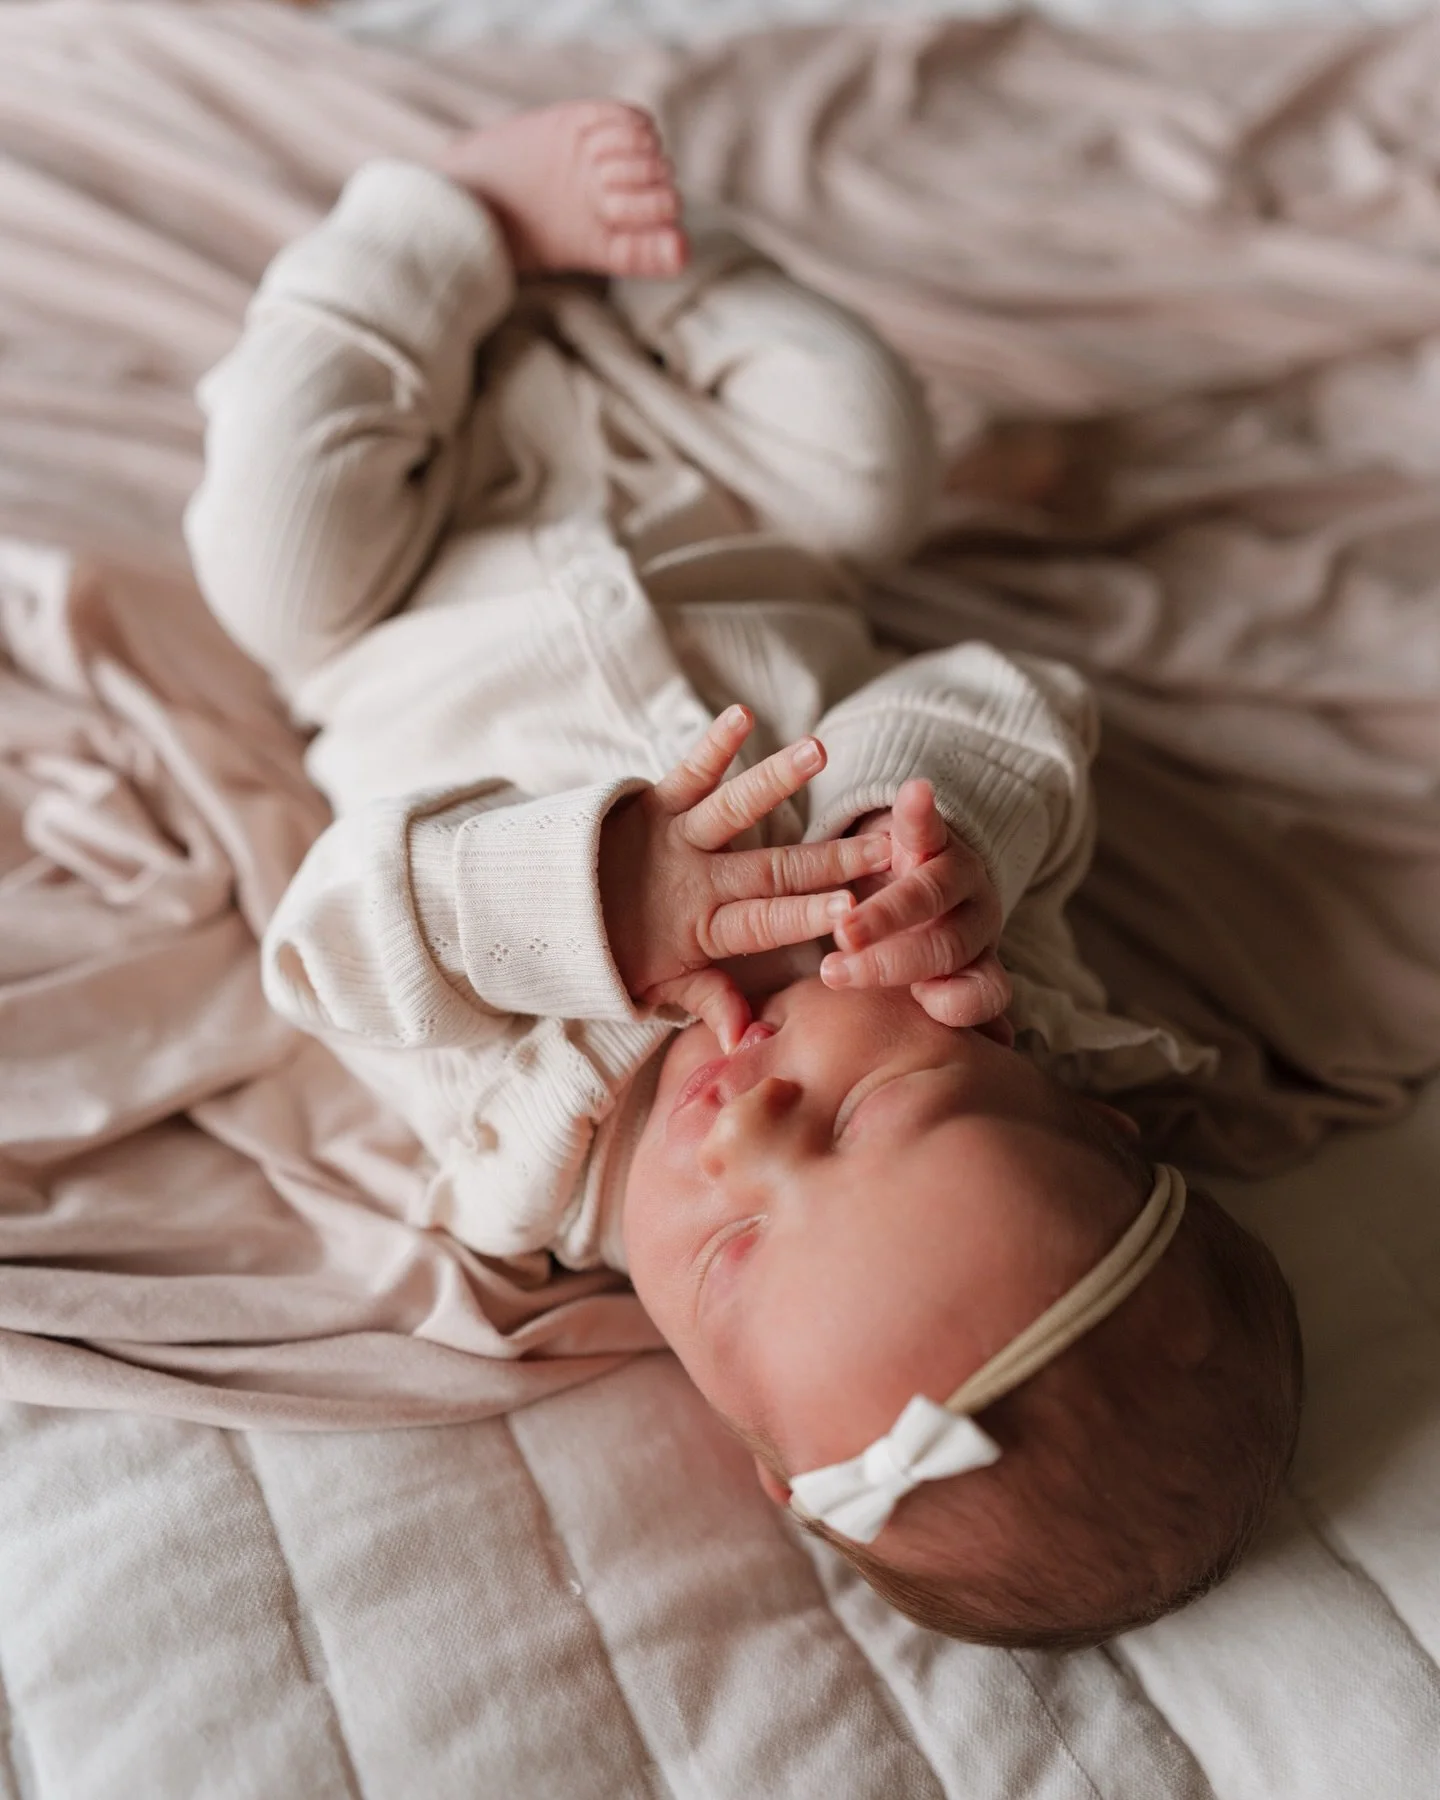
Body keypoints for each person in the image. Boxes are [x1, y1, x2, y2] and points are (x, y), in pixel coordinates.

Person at [185, 101, 1302, 1648]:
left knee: (264, 551)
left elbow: (334, 938)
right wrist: (944, 832)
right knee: (872, 459)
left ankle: (447, 226)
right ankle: (646, 258)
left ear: (747, 1448)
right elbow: (1014, 704)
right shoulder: (964, 957)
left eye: (729, 1257)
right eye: (871, 1113)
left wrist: (580, 901)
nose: (758, 1131)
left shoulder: (527, 1147)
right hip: (704, 479)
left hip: (399, 578)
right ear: (1067, 1097)